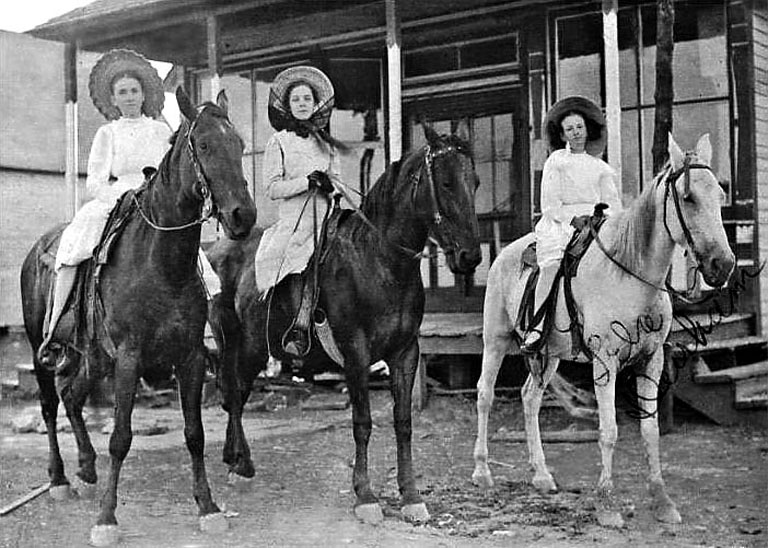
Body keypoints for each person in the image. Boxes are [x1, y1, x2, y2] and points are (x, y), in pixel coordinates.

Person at [38, 49, 218, 365]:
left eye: (135, 91)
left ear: (145, 94)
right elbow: (95, 181)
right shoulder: (108, 133)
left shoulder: (162, 131)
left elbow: (176, 171)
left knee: (196, 259)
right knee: (75, 246)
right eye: (123, 92)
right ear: (114, 99)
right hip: (120, 197)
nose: (130, 97)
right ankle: (57, 329)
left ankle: (204, 333)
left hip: (159, 201)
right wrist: (118, 198)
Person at [254, 65, 347, 356]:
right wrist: (305, 183)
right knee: (297, 258)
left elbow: (339, 184)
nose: (303, 104)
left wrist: (330, 186)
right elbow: (271, 188)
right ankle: (299, 324)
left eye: (307, 99)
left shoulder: (326, 143)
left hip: (328, 216)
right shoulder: (279, 141)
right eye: (297, 100)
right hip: (296, 221)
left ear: (315, 103)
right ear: (288, 106)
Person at [521, 96, 623, 353]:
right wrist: (573, 220)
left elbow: (613, 203)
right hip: (562, 223)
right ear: (563, 135)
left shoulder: (600, 167)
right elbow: (550, 204)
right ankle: (537, 325)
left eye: (579, 127)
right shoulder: (557, 161)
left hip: (596, 222)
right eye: (570, 129)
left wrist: (606, 220)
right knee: (552, 265)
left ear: (587, 128)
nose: (576, 133)